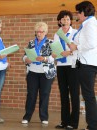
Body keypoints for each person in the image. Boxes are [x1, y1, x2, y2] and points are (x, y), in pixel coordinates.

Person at [69, 1, 97, 130]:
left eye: (78, 13)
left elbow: (91, 43)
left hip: (87, 64)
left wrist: (76, 46)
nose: (77, 15)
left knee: (88, 96)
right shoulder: (87, 24)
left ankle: (92, 126)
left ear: (83, 12)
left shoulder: (89, 24)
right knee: (89, 96)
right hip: (87, 63)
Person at [21, 22, 56, 125]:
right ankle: (27, 116)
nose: (39, 34)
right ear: (35, 32)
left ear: (46, 32)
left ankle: (44, 117)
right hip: (32, 72)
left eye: (42, 31)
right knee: (31, 95)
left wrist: (44, 58)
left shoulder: (51, 42)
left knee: (44, 95)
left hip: (46, 73)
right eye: (37, 32)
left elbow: (55, 56)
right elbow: (24, 56)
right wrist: (26, 59)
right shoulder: (31, 43)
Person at [54, 10, 80, 130]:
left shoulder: (75, 33)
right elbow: (55, 49)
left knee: (74, 94)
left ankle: (73, 123)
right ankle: (64, 121)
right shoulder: (57, 34)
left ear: (71, 21)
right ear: (60, 21)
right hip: (60, 66)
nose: (66, 21)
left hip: (73, 65)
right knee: (63, 94)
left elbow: (78, 48)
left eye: (68, 19)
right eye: (63, 19)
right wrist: (55, 54)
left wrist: (68, 53)